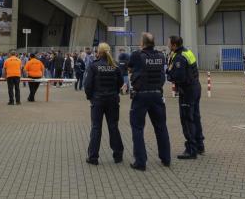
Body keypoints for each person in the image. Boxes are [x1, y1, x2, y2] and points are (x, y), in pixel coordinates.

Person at [128, 32, 171, 171]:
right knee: (161, 127)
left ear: (143, 43)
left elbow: (129, 67)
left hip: (141, 96)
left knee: (137, 128)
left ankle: (140, 162)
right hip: (157, 95)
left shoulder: (137, 55)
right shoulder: (161, 55)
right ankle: (166, 158)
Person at [84, 42, 124, 165]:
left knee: (96, 128)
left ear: (99, 52)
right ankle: (118, 156)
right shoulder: (115, 65)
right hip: (112, 100)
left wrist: (90, 97)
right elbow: (120, 82)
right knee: (113, 127)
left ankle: (93, 157)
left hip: (98, 100)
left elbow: (87, 85)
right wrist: (115, 93)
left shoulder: (94, 66)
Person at [167, 35, 205, 160]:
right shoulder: (188, 52)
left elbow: (178, 76)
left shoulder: (179, 57)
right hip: (195, 87)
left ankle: (191, 149)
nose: (168, 45)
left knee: (187, 119)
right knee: (195, 117)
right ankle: (200, 145)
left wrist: (169, 75)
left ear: (174, 45)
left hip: (187, 90)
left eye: (169, 43)